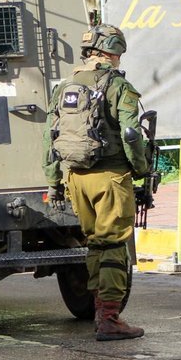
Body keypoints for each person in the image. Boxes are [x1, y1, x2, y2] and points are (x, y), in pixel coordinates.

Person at [43, 24, 149, 341]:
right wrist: (140, 167)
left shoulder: (65, 88)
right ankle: (109, 318)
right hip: (110, 177)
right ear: (113, 51)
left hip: (76, 178)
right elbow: (131, 134)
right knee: (114, 244)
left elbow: (50, 138)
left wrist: (53, 183)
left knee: (95, 244)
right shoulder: (118, 86)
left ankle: (98, 309)